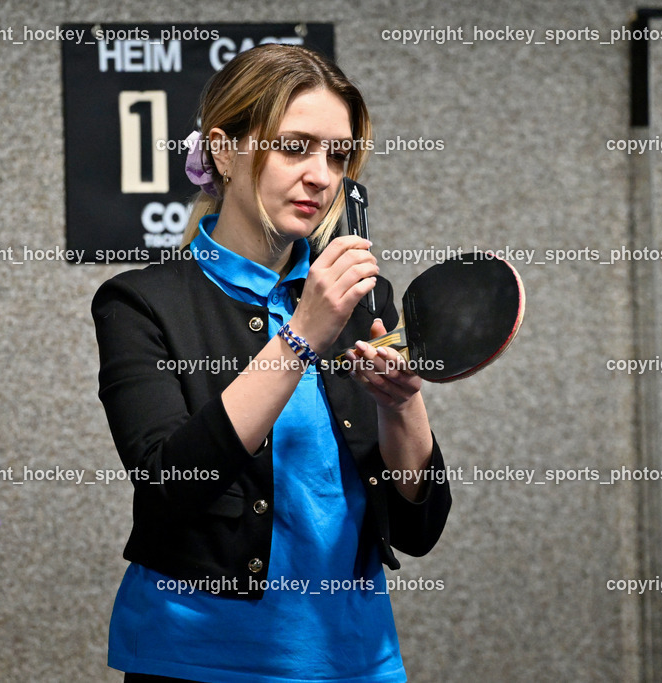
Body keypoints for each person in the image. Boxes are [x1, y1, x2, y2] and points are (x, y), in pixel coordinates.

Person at [92, 44, 451, 682]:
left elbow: (419, 526)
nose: (320, 174)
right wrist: (302, 334)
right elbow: (170, 487)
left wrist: (404, 405)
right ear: (225, 152)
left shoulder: (365, 297)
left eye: (337, 155)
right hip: (197, 660)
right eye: (294, 147)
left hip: (355, 660)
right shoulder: (142, 301)